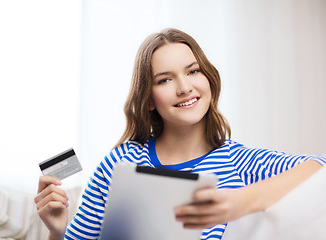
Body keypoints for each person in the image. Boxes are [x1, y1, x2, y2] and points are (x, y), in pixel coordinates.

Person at [34, 28, 326, 240]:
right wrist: (56, 232)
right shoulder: (119, 162)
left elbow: (321, 166)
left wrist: (241, 202)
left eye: (193, 71)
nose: (184, 87)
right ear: (148, 99)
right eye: (164, 79)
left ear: (208, 79)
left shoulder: (240, 162)